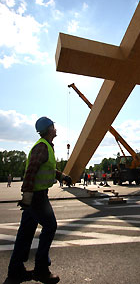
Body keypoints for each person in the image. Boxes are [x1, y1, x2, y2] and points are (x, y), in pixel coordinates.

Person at [3, 117, 71, 284]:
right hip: (37, 197)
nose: (55, 129)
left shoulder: (45, 146)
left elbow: (45, 167)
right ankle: (41, 269)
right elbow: (31, 171)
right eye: (53, 127)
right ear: (49, 129)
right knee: (50, 226)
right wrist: (27, 196)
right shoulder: (42, 147)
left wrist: (61, 176)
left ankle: (15, 271)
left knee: (25, 233)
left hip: (37, 195)